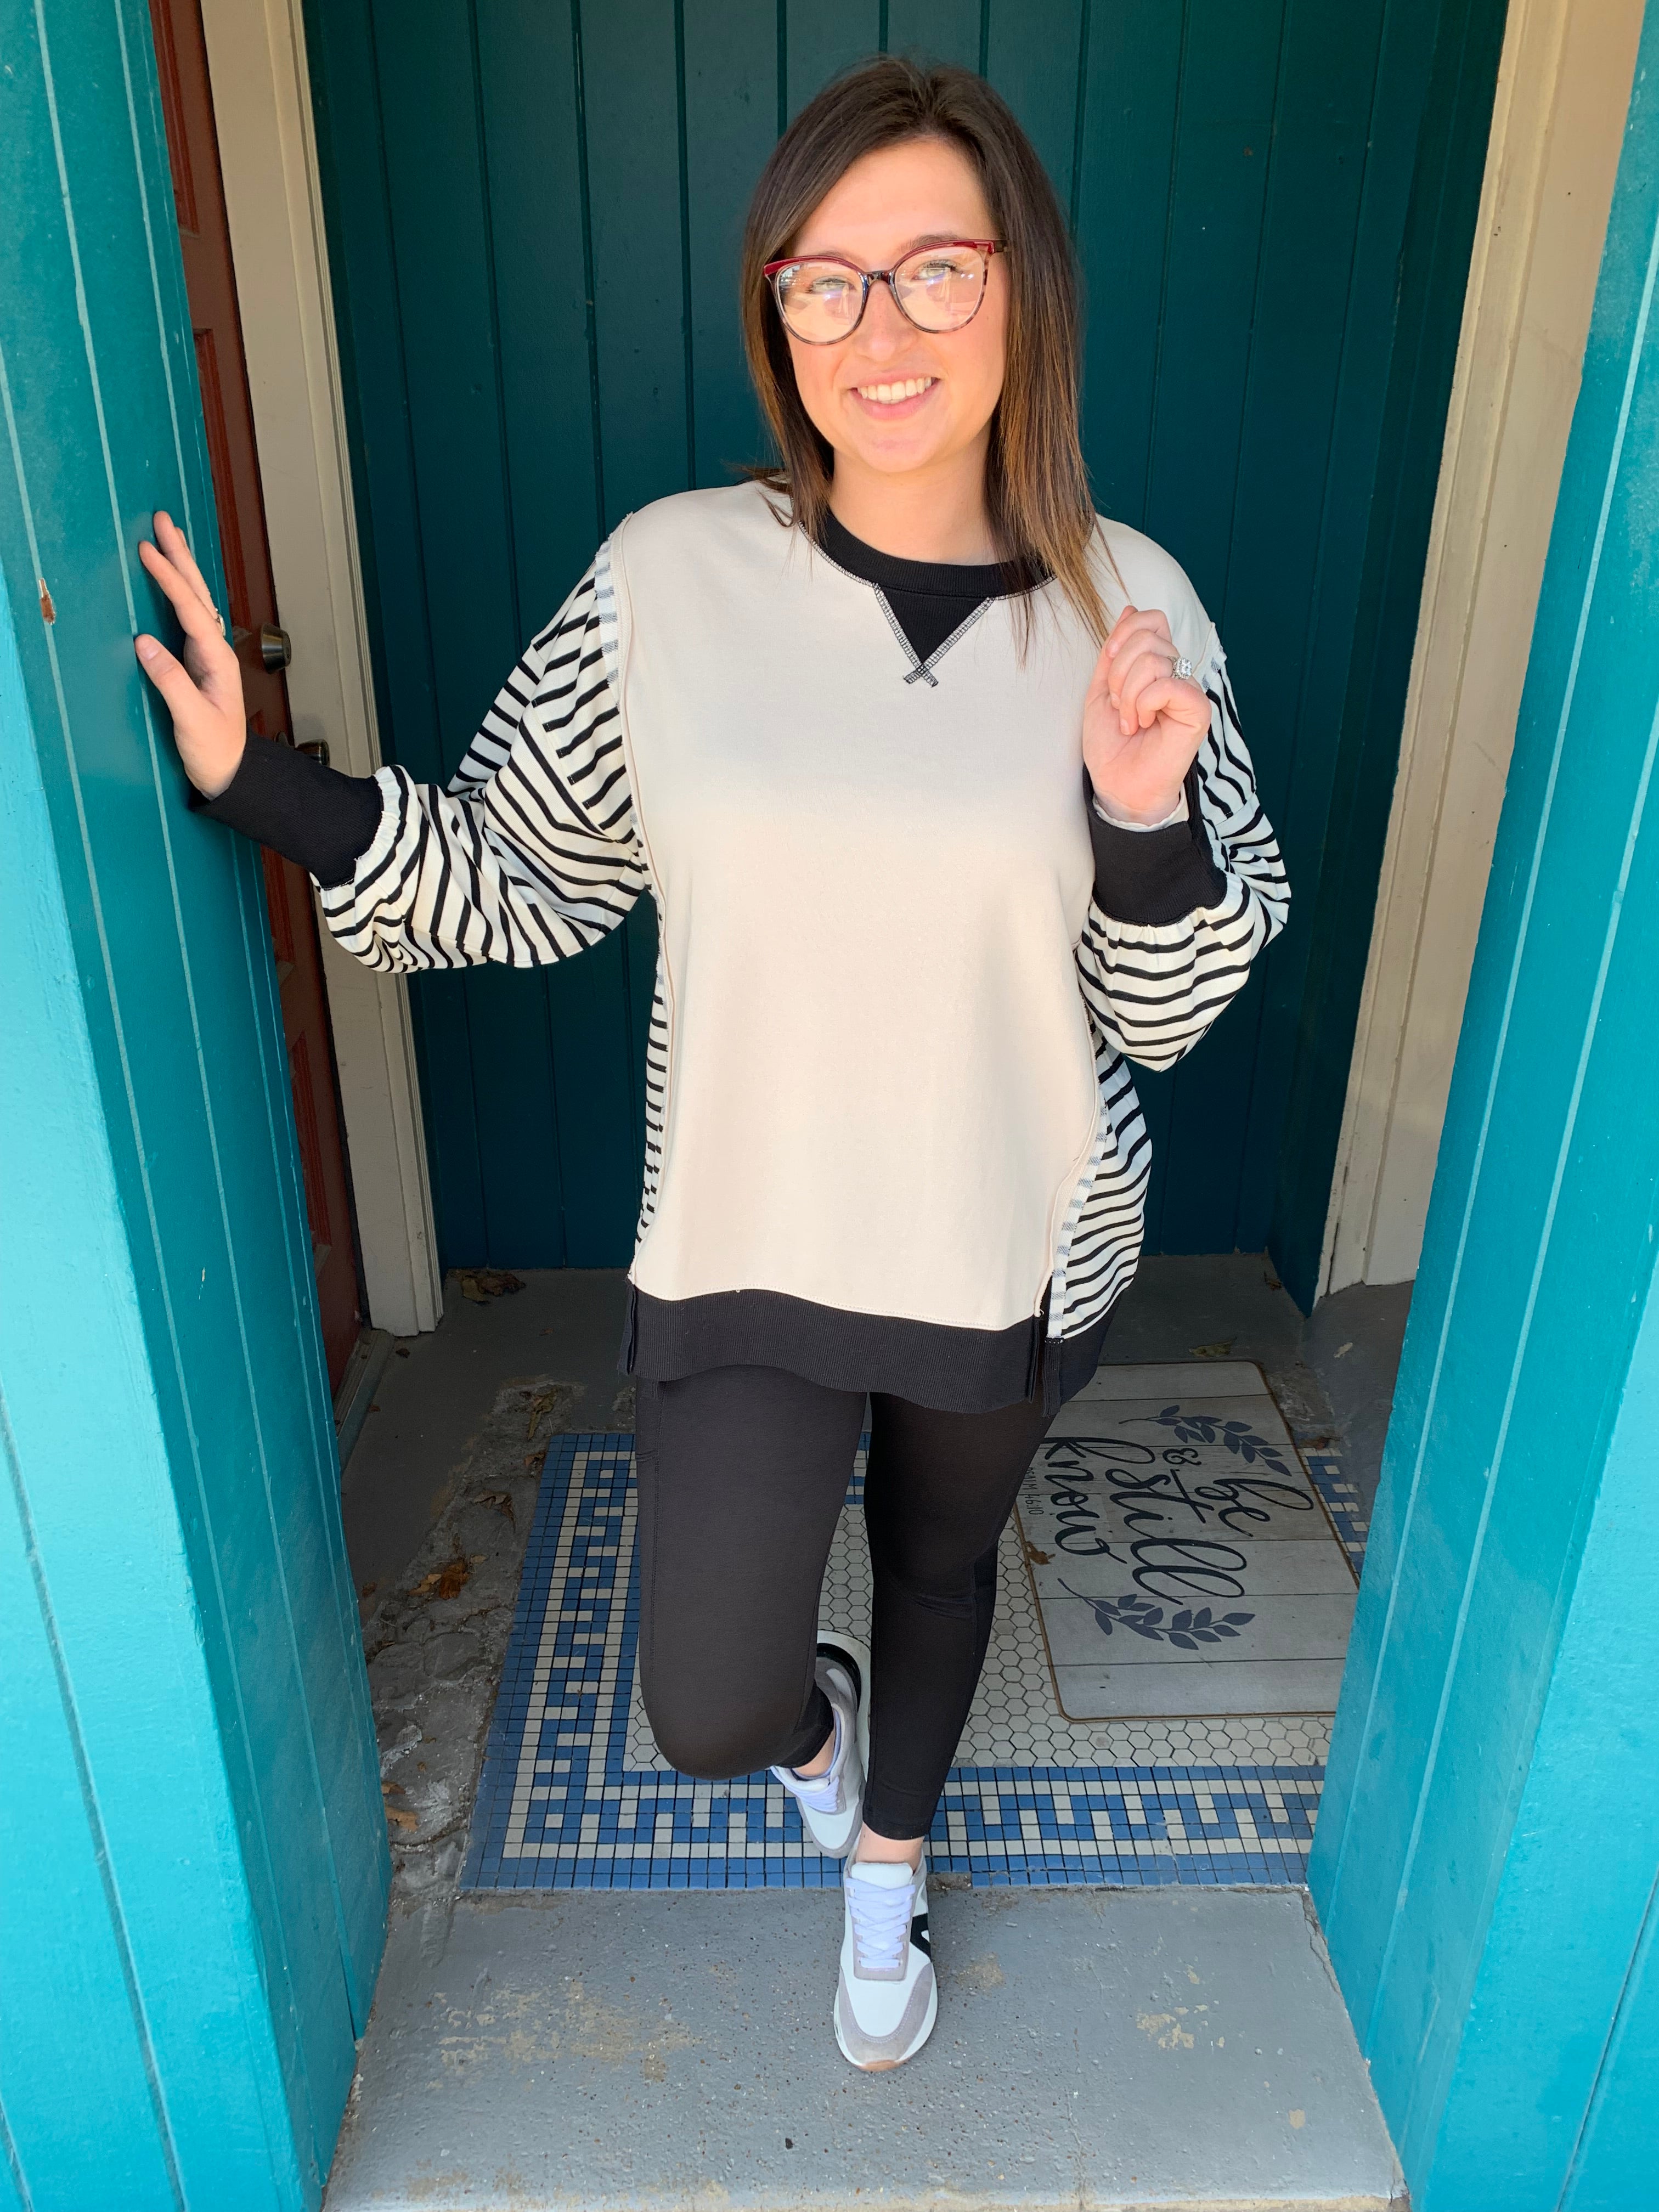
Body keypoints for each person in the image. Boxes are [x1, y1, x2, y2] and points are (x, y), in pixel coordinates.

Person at [134, 56, 1288, 2071]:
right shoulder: (669, 578)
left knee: (940, 1563)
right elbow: (516, 871)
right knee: (708, 1703)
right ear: (776, 312)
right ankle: (815, 1740)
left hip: (1016, 1243)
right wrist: (265, 787)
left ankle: (886, 1869)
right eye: (822, 280)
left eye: (933, 269)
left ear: (1024, 286)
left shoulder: (1141, 605)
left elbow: (1178, 1005)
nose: (878, 328)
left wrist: (1136, 812)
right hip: (753, 1233)